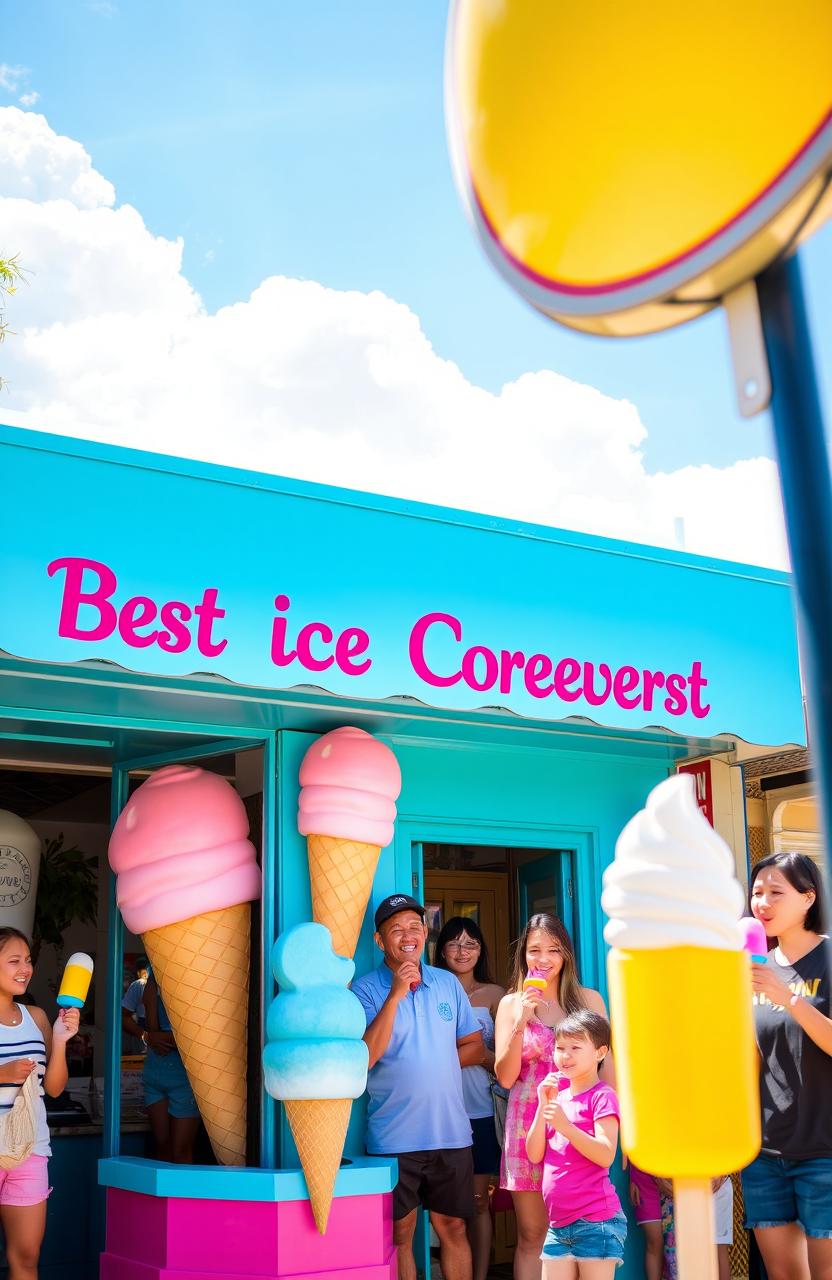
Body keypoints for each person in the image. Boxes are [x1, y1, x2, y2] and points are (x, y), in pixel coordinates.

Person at [352, 894, 484, 1280]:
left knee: (454, 1229)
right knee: (400, 1234)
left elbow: (473, 1045)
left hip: (451, 1133)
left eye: (414, 927)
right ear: (380, 941)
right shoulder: (363, 990)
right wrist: (395, 993)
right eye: (396, 930)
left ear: (425, 933)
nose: (407, 936)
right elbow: (366, 1057)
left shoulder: (447, 983)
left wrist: (436, 1062)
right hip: (394, 1136)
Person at [495, 912, 610, 1280]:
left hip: (579, 1122)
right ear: (523, 956)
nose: (543, 959)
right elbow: (506, 1076)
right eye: (534, 951)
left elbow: (609, 1069)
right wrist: (522, 1021)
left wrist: (614, 1132)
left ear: (567, 955)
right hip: (526, 1123)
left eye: (553, 950)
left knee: (578, 1233)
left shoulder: (588, 999)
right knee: (533, 1234)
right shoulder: (511, 1004)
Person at [742, 850, 832, 1280]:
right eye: (757, 892)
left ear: (809, 897)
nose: (763, 903)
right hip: (766, 1152)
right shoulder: (753, 970)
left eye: (776, 892)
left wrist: (789, 998)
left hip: (826, 1151)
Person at [0, 926, 79, 1280]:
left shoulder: (37, 1017)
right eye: (14, 960)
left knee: (27, 1257)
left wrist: (61, 1041)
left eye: (28, 961)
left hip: (30, 1149)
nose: (25, 968)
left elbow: (56, 1087)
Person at [526, 1010, 626, 1278]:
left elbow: (606, 1155)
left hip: (597, 1222)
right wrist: (542, 1104)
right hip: (558, 1226)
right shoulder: (558, 1098)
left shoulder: (603, 1096)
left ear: (600, 1052)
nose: (564, 1055)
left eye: (574, 1047)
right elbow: (534, 1154)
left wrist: (566, 1127)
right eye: (560, 1048)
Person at [435, 916, 506, 1280]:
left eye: (471, 944)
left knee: (479, 1203)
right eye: (454, 943)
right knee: (442, 1205)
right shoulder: (430, 988)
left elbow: (508, 1060)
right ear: (441, 950)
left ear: (481, 951)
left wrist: (481, 1056)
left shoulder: (496, 995)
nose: (462, 951)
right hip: (435, 1111)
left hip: (478, 1108)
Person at [139, 970, 200, 1164]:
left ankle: (182, 1195)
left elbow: (198, 1040)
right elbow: (152, 1031)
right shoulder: (154, 980)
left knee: (179, 1150)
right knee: (164, 1148)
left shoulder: (193, 982)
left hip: (183, 1076)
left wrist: (156, 1037)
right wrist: (150, 1035)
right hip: (157, 1071)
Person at [120, 955, 148, 1054]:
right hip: (144, 1027)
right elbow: (123, 1016)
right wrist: (144, 1035)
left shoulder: (139, 985)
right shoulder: (139, 985)